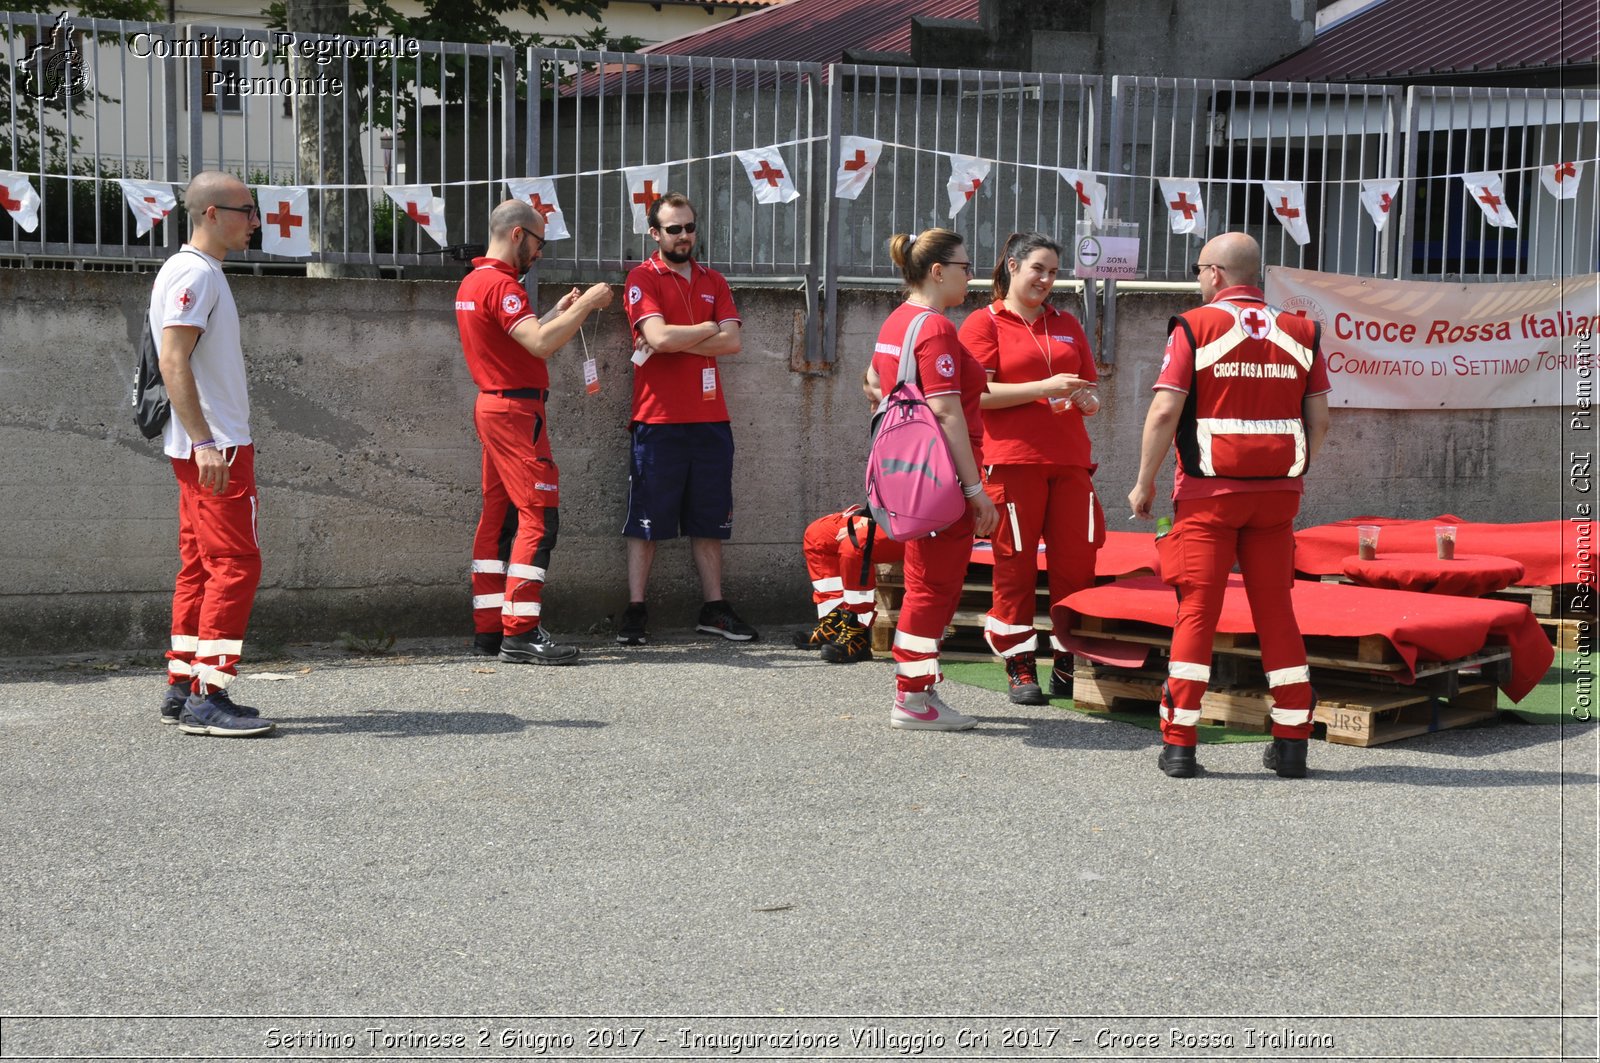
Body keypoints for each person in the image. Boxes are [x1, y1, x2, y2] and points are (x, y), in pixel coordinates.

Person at [1127, 231, 1331, 779]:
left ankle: (1180, 745)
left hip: (1207, 495)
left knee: (1197, 611)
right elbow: (1321, 422)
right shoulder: (1302, 330)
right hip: (1278, 496)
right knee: (1277, 613)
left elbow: (1165, 412)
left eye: (1199, 270)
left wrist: (1144, 482)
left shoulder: (1194, 326)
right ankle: (1292, 743)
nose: (1197, 279)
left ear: (1216, 274)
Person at [457, 199, 613, 665]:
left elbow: (521, 339)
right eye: (539, 242)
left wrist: (555, 312)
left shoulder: (473, 282)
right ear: (519, 235)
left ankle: (490, 628)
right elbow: (540, 345)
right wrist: (585, 305)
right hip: (515, 413)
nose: (540, 254)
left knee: (499, 518)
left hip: (497, 406)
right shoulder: (503, 286)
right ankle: (520, 632)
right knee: (538, 517)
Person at [959, 231, 1104, 705]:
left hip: (1070, 461)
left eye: (1054, 272)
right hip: (1013, 461)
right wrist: (1044, 387)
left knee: (1076, 565)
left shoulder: (1067, 323)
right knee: (1015, 568)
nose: (1046, 279)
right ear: (1013, 267)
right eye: (1037, 268)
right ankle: (1019, 663)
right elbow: (977, 396)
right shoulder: (984, 324)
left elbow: (1091, 392)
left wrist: (1086, 399)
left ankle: (1068, 660)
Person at [153, 171, 274, 737]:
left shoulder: (199, 273)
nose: (255, 222)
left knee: (202, 565)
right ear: (209, 214)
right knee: (236, 564)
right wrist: (205, 442)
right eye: (245, 211)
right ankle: (210, 692)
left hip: (204, 445)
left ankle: (183, 684)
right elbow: (173, 361)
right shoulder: (195, 274)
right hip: (216, 447)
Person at [870, 228, 999, 730]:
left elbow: (874, 383)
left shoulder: (897, 320)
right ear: (938, 271)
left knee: (927, 583)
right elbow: (946, 412)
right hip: (940, 478)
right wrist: (974, 490)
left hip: (911, 474)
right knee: (933, 587)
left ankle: (917, 692)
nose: (973, 274)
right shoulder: (937, 328)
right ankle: (913, 698)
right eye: (966, 266)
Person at [617, 192, 757, 645]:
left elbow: (732, 342)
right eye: (673, 229)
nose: (683, 236)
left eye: (689, 227)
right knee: (647, 520)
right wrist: (703, 330)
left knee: (709, 518)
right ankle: (636, 609)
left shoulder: (714, 280)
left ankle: (713, 608)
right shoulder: (642, 277)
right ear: (655, 233)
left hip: (711, 420)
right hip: (657, 421)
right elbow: (654, 335)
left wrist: (678, 341)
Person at [798, 506, 905, 664]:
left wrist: (875, 523)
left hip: (922, 527)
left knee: (855, 542)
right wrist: (868, 518)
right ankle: (834, 623)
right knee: (817, 534)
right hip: (888, 518)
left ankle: (857, 633)